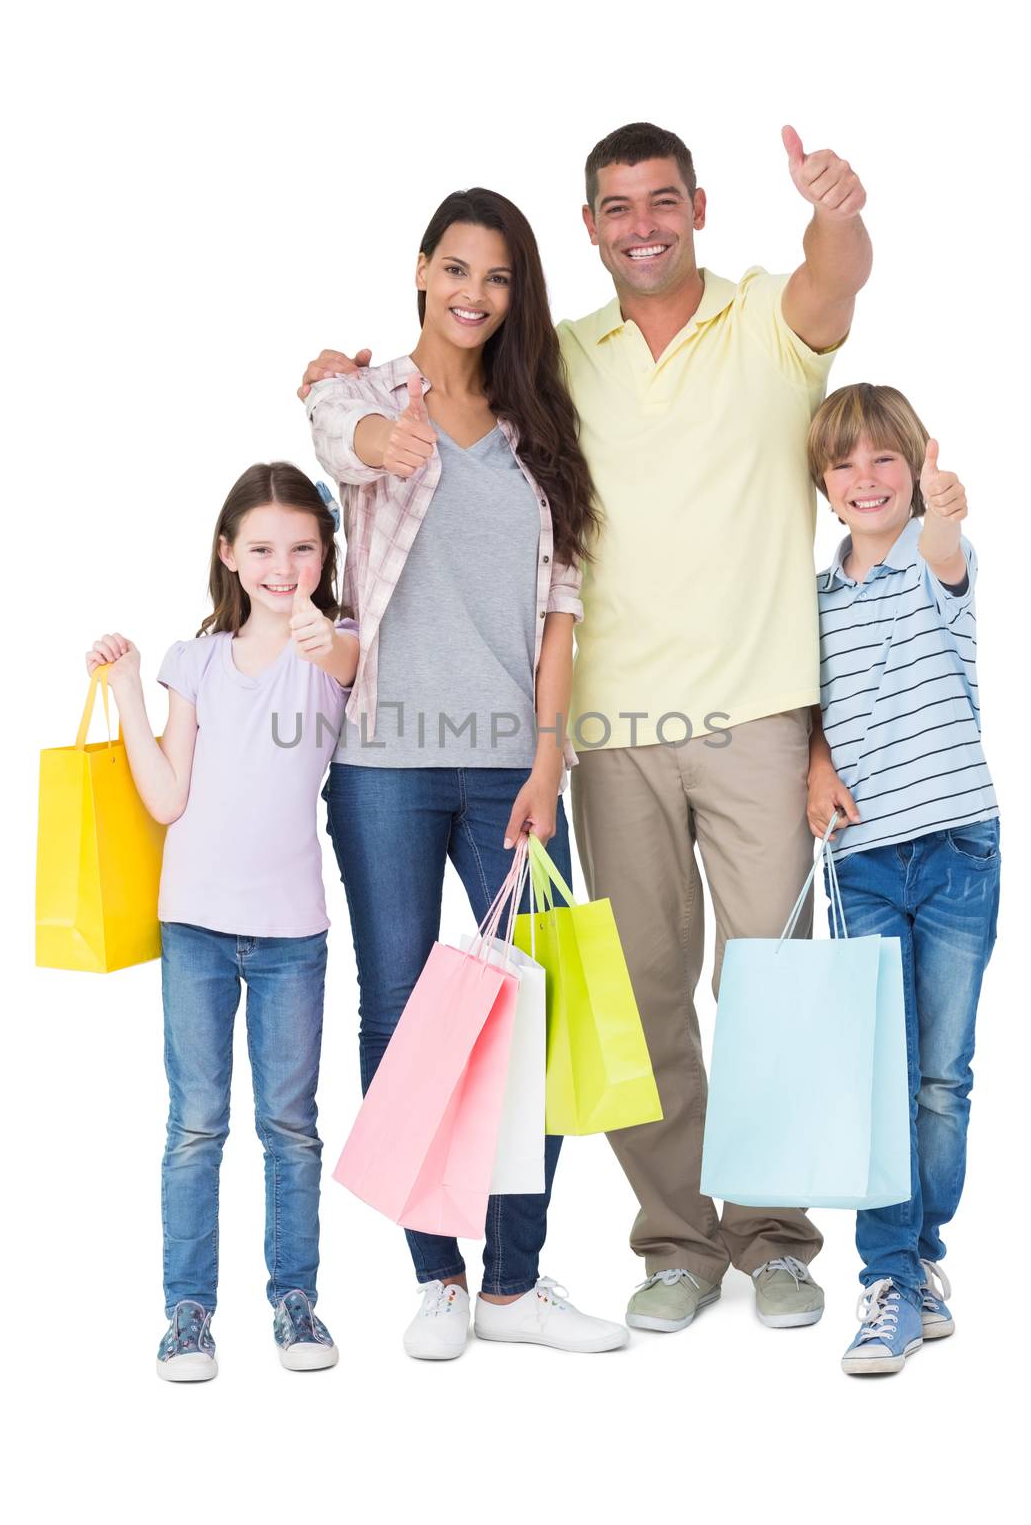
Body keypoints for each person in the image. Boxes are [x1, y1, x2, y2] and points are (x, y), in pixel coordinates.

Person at [299, 121, 873, 1338]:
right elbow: (361, 420)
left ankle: (769, 1237)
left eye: (660, 201)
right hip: (596, 732)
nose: (641, 224)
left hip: (745, 711)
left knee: (757, 984)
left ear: (700, 208)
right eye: (615, 207)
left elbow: (835, 280)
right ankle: (664, 1242)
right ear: (590, 228)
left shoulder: (752, 324)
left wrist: (833, 210)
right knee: (637, 993)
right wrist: (336, 393)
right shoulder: (553, 365)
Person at [303, 186, 627, 1360]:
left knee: (531, 1013)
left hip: (511, 769)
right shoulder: (364, 393)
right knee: (396, 1012)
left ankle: (514, 1281)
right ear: (421, 271)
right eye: (454, 269)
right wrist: (367, 433)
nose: (472, 294)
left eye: (494, 277)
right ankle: (434, 1272)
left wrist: (547, 757)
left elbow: (559, 611)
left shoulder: (542, 425)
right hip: (381, 761)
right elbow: (331, 432)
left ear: (514, 291)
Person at [85, 462, 359, 1381]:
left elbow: (350, 664)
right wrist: (127, 690)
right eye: (263, 549)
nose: (283, 567)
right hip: (194, 926)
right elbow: (166, 798)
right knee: (196, 1123)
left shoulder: (337, 646)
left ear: (325, 555)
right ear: (228, 554)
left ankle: (294, 1300)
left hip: (292, 933)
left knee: (290, 1124)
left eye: (303, 548)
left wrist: (321, 634)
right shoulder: (195, 663)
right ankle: (186, 1314)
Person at [805, 384, 1000, 1375]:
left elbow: (944, 552)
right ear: (822, 486)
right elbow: (801, 710)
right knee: (880, 1077)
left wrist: (942, 507)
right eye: (845, 463)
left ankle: (921, 1257)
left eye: (885, 459)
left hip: (959, 848)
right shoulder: (814, 597)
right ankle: (884, 1275)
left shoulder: (935, 562)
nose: (866, 478)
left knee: (939, 1080)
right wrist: (812, 763)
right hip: (862, 862)